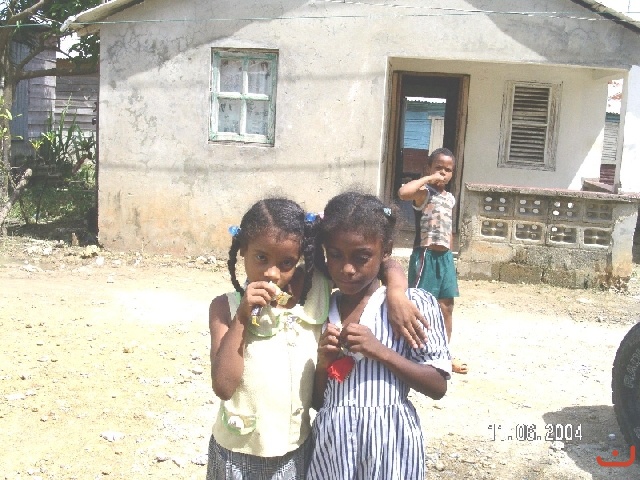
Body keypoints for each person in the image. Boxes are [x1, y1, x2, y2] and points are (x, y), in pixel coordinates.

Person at [207, 197, 432, 480]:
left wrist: (397, 291)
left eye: (286, 262)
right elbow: (223, 387)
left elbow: (375, 259)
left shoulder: (314, 288)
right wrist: (242, 316)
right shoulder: (224, 308)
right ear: (242, 249)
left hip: (295, 452)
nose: (272, 273)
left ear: (300, 257)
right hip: (237, 453)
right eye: (261, 258)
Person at [307, 191, 451, 480]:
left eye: (362, 257)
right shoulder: (319, 307)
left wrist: (380, 351)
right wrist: (323, 364)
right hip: (333, 448)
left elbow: (437, 385)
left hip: (390, 447)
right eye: (335, 255)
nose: (347, 269)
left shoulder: (408, 307)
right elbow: (318, 403)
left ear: (386, 250)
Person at [397, 147, 467, 374]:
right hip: (425, 256)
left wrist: (451, 254)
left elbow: (448, 229)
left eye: (448, 170)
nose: (443, 173)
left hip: (444, 258)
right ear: (428, 168)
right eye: (438, 168)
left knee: (446, 306)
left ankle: (444, 354)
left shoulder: (450, 198)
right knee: (420, 305)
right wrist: (428, 179)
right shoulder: (424, 193)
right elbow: (403, 193)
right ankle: (413, 351)